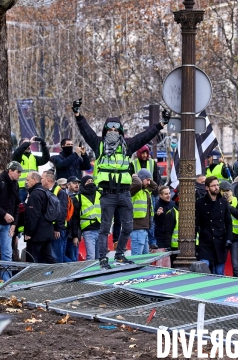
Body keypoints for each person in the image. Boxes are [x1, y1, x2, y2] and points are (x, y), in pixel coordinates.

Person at [73, 98, 168, 269]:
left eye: (116, 128)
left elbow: (144, 136)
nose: (113, 131)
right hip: (107, 194)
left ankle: (120, 254)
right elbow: (86, 131)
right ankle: (103, 258)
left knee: (128, 227)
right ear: (105, 129)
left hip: (124, 194)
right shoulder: (99, 144)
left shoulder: (128, 145)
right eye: (110, 128)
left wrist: (161, 124)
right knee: (105, 229)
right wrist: (78, 114)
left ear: (121, 130)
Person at [195, 176, 232, 275]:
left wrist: (229, 238)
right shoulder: (200, 203)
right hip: (206, 242)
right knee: (204, 268)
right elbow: (196, 224)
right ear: (207, 188)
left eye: (217, 185)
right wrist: (194, 243)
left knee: (219, 272)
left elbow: (228, 222)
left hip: (220, 242)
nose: (216, 187)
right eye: (213, 186)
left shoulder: (223, 203)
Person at [24, 172, 56, 263]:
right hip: (47, 232)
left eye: (28, 179)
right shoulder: (45, 192)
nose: (26, 182)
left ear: (34, 180)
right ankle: (60, 273)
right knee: (48, 258)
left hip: (37, 235)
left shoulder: (35, 194)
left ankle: (32, 277)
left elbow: (33, 215)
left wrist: (29, 233)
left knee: (32, 259)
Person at [41, 171, 69, 263]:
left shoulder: (60, 192)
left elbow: (62, 211)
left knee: (57, 256)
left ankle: (64, 275)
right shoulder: (49, 191)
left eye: (42, 178)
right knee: (55, 255)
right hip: (52, 228)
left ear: (48, 179)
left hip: (58, 229)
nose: (40, 180)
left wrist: (57, 228)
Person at [70, 176, 100, 260]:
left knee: (99, 258)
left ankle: (98, 273)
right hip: (88, 231)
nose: (90, 183)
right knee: (91, 257)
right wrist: (75, 235)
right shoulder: (78, 198)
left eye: (91, 181)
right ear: (83, 184)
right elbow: (75, 218)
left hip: (100, 229)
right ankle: (91, 273)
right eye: (88, 181)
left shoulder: (99, 194)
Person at [12, 136, 50, 203]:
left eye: (29, 144)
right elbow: (16, 153)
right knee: (20, 207)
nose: (29, 145)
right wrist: (28, 142)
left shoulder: (34, 158)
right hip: (21, 188)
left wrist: (43, 144)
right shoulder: (18, 157)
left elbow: (46, 158)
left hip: (34, 187)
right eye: (26, 144)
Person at [130, 169, 158, 255]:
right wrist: (136, 177)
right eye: (148, 180)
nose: (149, 183)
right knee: (137, 259)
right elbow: (138, 184)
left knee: (145, 259)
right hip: (137, 229)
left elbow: (154, 186)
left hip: (144, 229)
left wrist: (147, 177)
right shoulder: (135, 190)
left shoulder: (145, 190)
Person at [220, 181, 238, 277]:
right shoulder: (218, 202)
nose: (226, 193)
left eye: (228, 190)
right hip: (223, 236)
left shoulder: (237, 200)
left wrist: (227, 205)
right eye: (223, 191)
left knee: (236, 264)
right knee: (221, 262)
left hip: (236, 236)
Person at [154, 185, 177, 250]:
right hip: (161, 236)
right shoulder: (156, 205)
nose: (169, 195)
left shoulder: (173, 204)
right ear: (160, 195)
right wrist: (157, 214)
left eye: (169, 193)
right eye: (166, 194)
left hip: (172, 236)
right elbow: (152, 220)